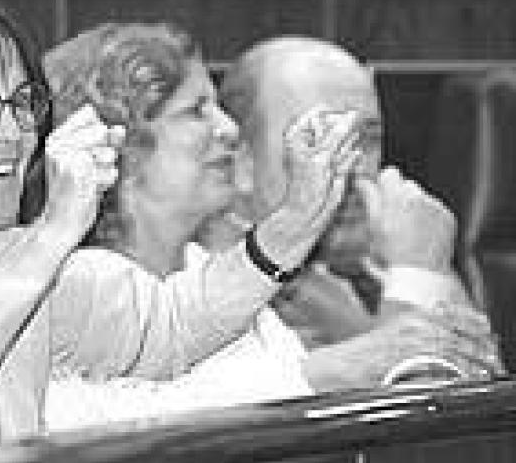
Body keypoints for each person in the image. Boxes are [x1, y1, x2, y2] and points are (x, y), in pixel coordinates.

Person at [0, 0, 351, 457]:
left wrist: (293, 224)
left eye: (20, 102)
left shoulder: (2, 263)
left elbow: (172, 325)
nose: (12, 133)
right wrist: (53, 231)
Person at [35, 23, 360, 429]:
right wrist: (322, 376)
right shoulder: (67, 287)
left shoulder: (214, 270)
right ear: (121, 143)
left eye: (217, 106)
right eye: (196, 111)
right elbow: (107, 432)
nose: (229, 129)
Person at [213, 36, 504, 391]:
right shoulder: (211, 292)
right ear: (241, 162)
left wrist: (421, 273)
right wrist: (416, 275)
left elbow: (486, 408)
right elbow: (408, 417)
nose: (355, 165)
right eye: (319, 137)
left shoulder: (391, 245)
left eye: (367, 138)